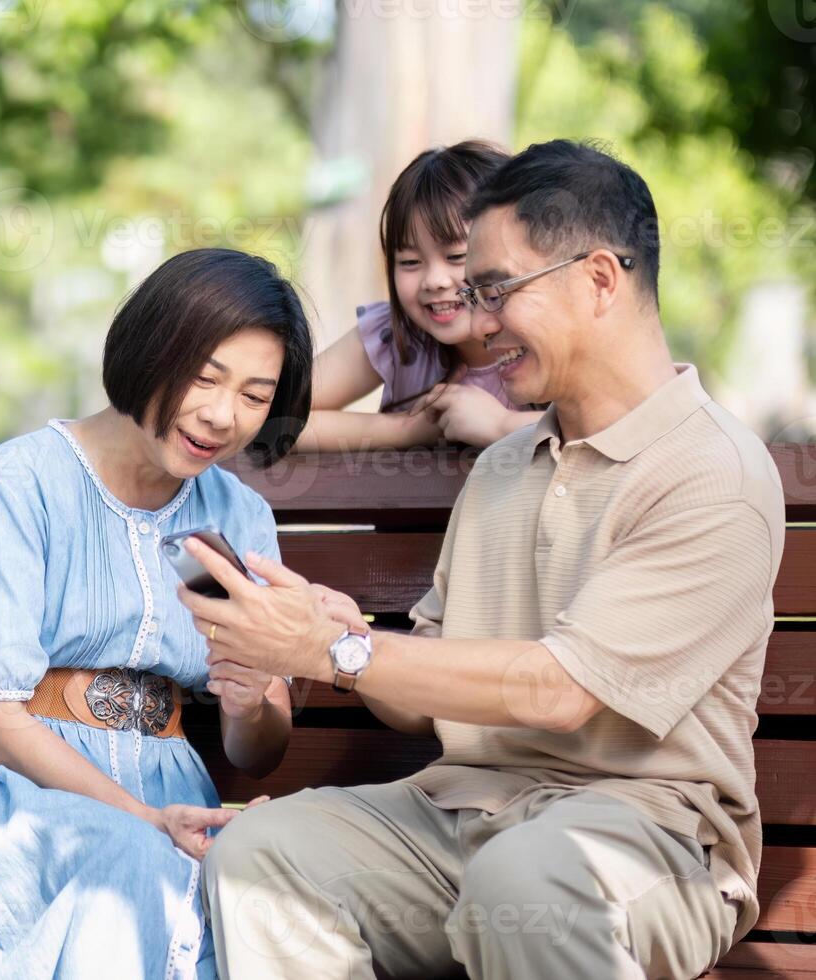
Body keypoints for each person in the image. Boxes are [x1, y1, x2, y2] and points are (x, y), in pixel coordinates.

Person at [181, 141, 785, 978]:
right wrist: (341, 635)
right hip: (460, 817)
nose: (481, 320)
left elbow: (561, 691)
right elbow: (427, 707)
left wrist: (337, 653)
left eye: (496, 288)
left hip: (646, 837)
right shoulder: (503, 467)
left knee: (530, 873)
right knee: (263, 851)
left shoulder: (712, 472)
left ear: (601, 279)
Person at [0, 248, 314, 979]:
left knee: (240, 892)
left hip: (166, 800)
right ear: (148, 352)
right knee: (135, 873)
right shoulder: (24, 482)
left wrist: (247, 699)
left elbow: (256, 750)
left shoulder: (241, 516)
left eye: (254, 394)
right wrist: (142, 822)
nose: (221, 414)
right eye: (204, 376)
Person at [295, 140, 543, 451]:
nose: (435, 281)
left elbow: (610, 421)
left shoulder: (546, 337)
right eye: (410, 262)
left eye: (456, 256)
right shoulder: (397, 336)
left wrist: (501, 425)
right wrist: (405, 429)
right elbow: (272, 417)